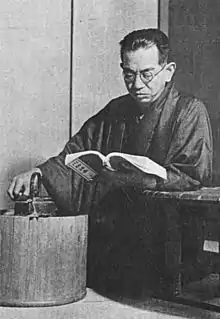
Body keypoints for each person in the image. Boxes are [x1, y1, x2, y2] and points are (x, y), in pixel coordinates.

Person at [8, 29, 213, 293]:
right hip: (115, 231)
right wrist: (38, 172)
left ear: (169, 70)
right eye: (129, 74)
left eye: (147, 74)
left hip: (166, 235)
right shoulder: (115, 110)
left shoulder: (189, 111)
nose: (137, 84)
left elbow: (192, 176)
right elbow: (74, 158)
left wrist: (138, 178)